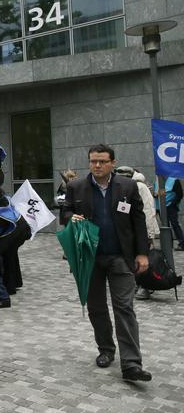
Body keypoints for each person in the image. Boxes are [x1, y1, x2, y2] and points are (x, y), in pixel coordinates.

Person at [61, 144, 151, 382]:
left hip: (121, 257)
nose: (97, 165)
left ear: (112, 162)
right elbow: (65, 213)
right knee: (97, 308)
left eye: (102, 161)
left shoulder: (128, 187)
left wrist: (142, 253)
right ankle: (106, 349)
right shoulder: (76, 187)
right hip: (89, 258)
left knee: (124, 308)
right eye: (93, 161)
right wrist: (72, 217)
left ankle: (131, 363)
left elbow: (138, 221)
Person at [116, 166, 159, 301]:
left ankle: (145, 287)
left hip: (142, 230)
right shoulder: (124, 187)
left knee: (144, 260)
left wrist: (148, 234)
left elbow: (147, 210)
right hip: (130, 231)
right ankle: (137, 283)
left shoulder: (139, 187)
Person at [154, 176, 184, 251]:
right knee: (165, 226)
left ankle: (182, 243)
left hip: (170, 207)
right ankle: (168, 244)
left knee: (175, 224)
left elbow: (179, 194)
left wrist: (172, 204)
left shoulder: (174, 180)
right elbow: (158, 193)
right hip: (161, 207)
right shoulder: (157, 181)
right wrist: (155, 195)